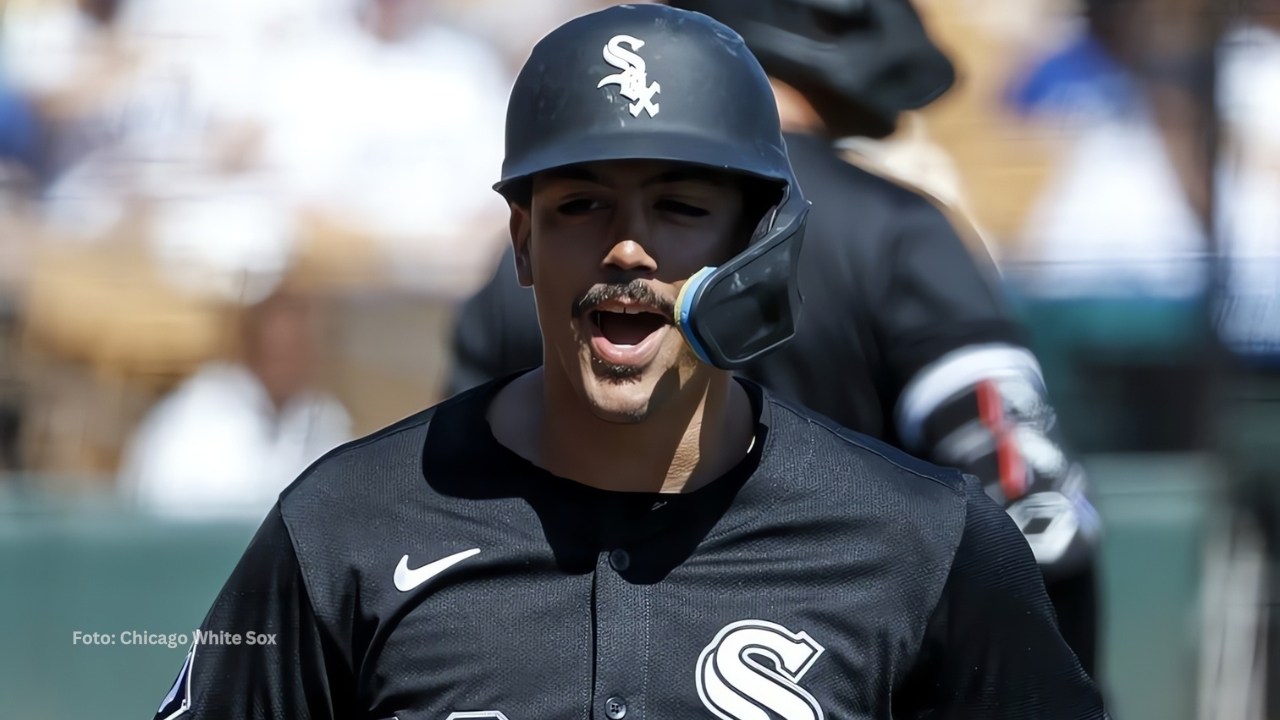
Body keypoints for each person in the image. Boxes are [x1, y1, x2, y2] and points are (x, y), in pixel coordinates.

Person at [150, 5, 1106, 718]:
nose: (628, 249)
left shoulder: (922, 545)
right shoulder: (345, 529)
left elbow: (1040, 519)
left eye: (682, 207)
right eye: (581, 206)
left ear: (757, 243)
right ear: (520, 241)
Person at [447, 0, 1105, 675]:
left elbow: (449, 515)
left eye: (684, 208)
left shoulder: (544, 254)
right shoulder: (896, 231)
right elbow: (1042, 522)